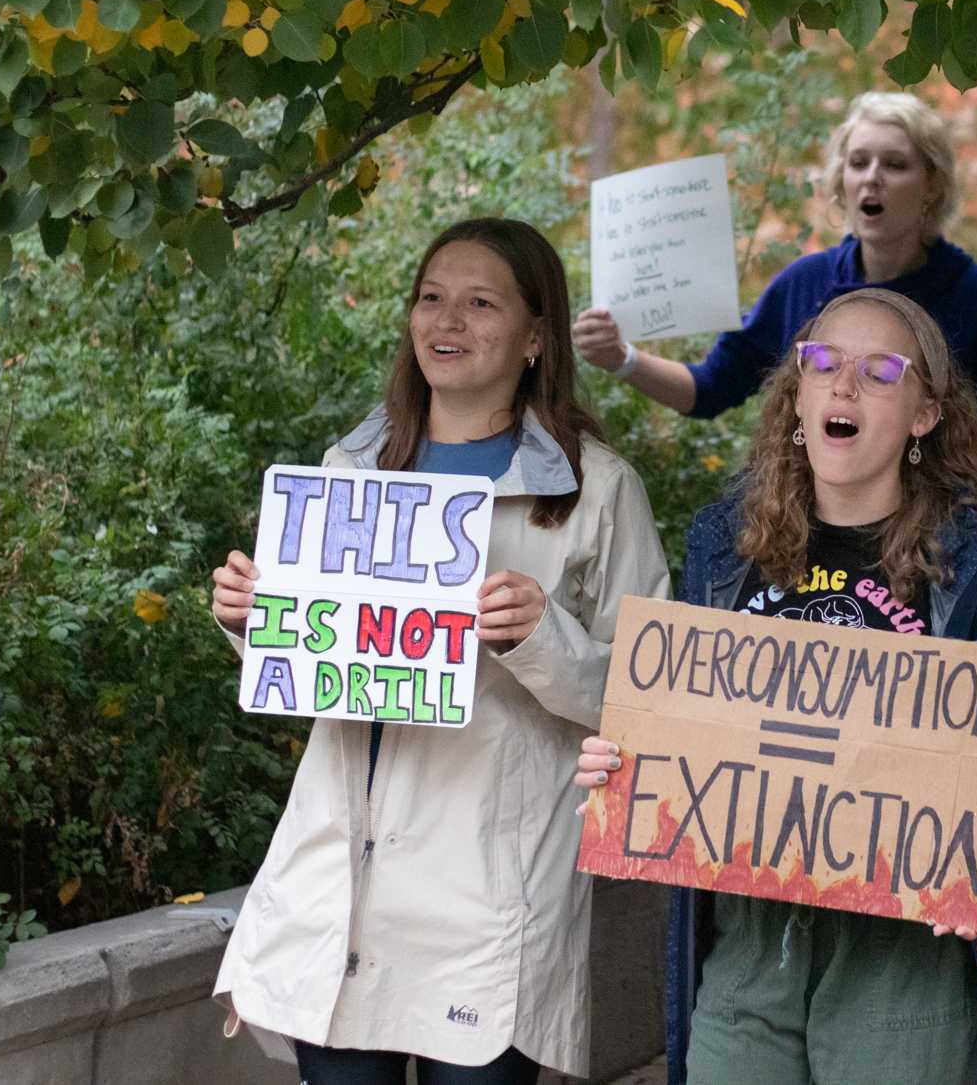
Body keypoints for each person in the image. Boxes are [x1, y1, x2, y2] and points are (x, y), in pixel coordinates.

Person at [574, 287, 977, 1085]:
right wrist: (627, 757)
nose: (843, 386)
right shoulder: (724, 539)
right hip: (749, 940)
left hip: (904, 951)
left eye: (879, 371)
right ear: (797, 395)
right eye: (822, 363)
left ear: (924, 413)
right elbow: (686, 715)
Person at [207, 219, 671, 1083]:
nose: (445, 319)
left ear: (536, 336)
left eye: (480, 301)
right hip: (346, 883)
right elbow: (320, 671)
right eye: (430, 297)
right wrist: (252, 619)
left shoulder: (597, 490)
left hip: (490, 894)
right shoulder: (347, 472)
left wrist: (541, 637)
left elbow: (655, 700)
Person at [572, 91, 977, 434]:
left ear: (932, 184)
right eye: (858, 163)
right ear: (841, 180)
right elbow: (710, 389)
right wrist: (621, 358)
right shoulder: (804, 283)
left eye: (894, 165)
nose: (871, 179)